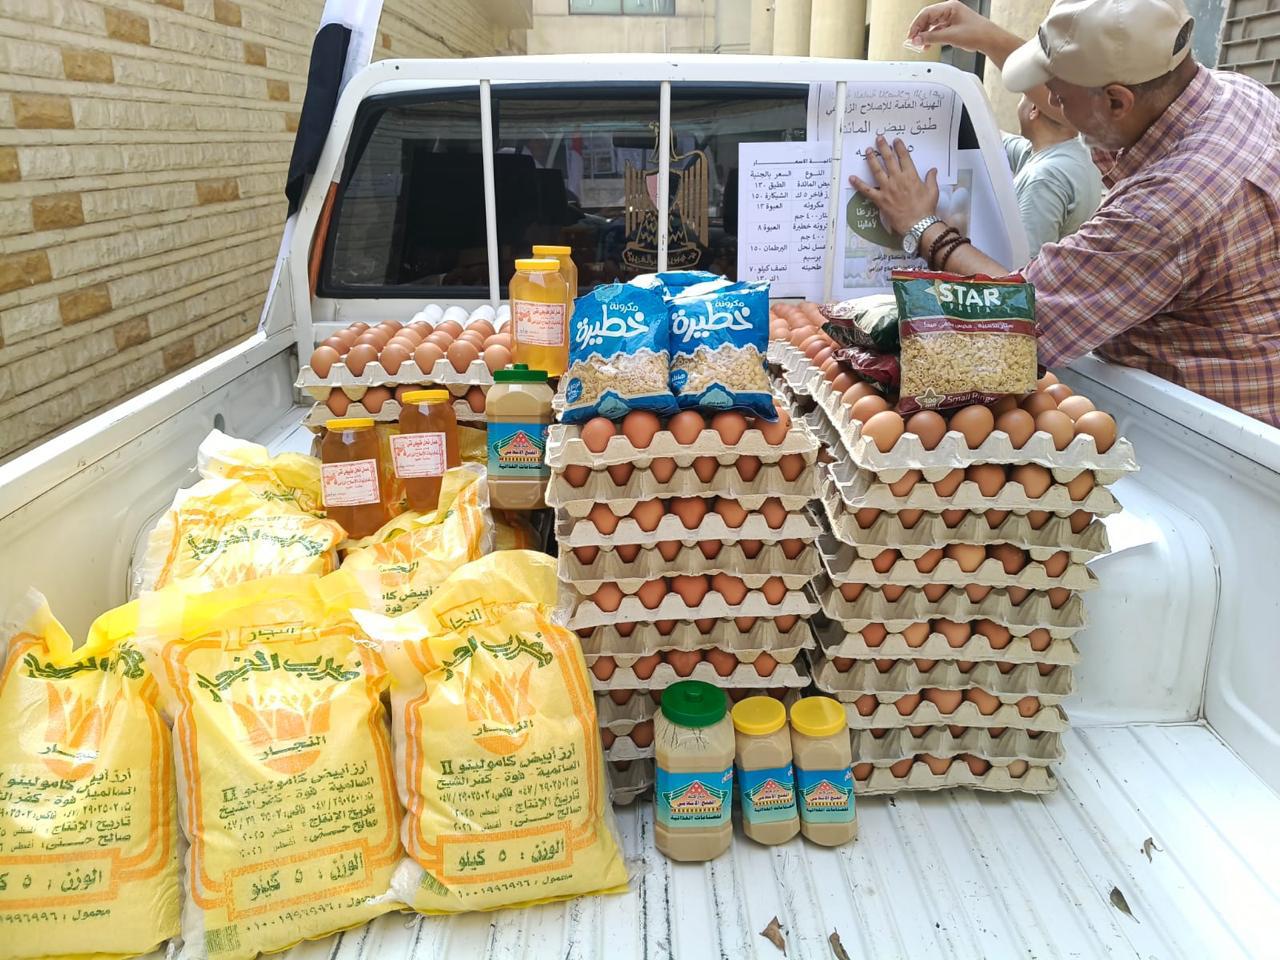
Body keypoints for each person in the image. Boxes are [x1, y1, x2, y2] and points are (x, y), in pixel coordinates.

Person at [850, 0, 1280, 427]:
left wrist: (921, 225)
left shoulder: (1168, 206)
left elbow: (1021, 317)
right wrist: (989, 38)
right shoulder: (1236, 93)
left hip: (1209, 436)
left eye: (1057, 92)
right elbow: (1087, 101)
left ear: (1117, 101)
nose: (1048, 102)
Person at [1003, 95, 1102, 250]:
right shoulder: (1080, 154)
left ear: (1034, 109)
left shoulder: (1044, 178)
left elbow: (1026, 259)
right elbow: (997, 139)